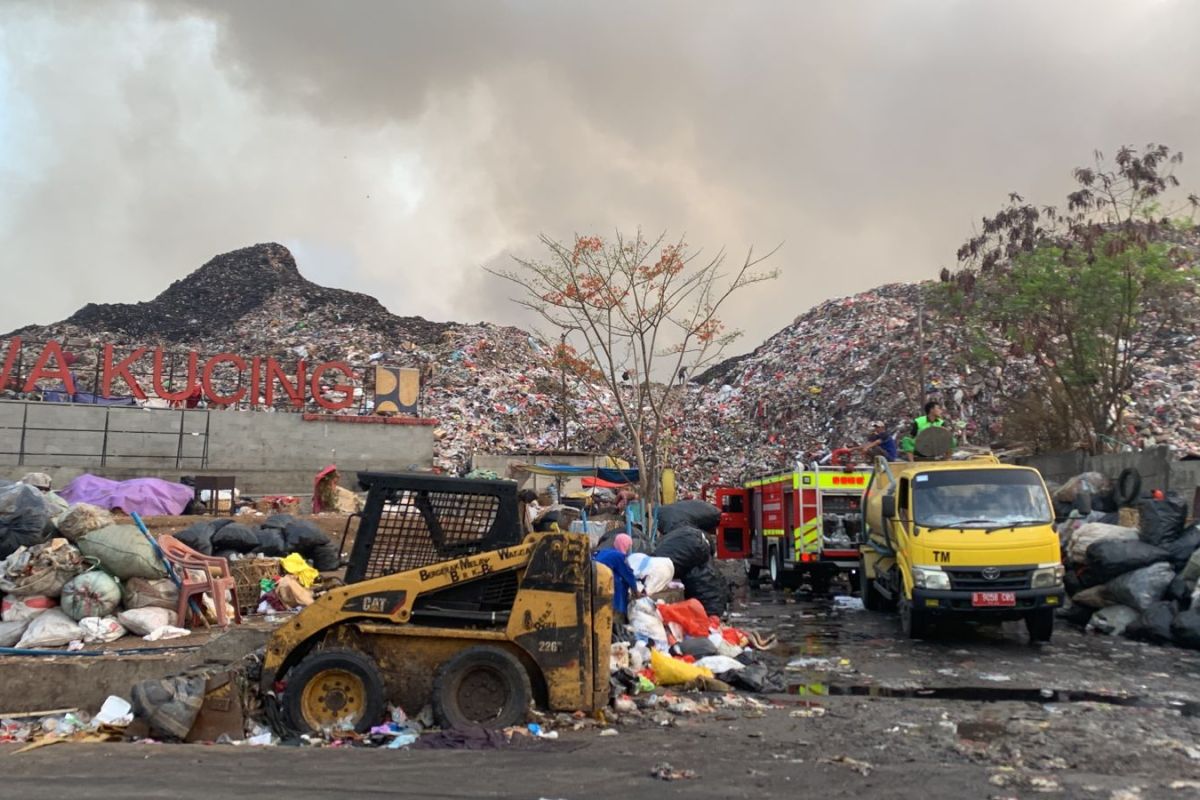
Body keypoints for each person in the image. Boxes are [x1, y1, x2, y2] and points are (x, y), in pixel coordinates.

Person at [592, 533, 642, 627]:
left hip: (596, 585)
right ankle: (617, 625)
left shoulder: (604, 552)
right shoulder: (619, 556)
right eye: (628, 546)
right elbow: (628, 574)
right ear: (624, 545)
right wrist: (635, 590)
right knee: (620, 588)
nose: (628, 549)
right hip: (611, 587)